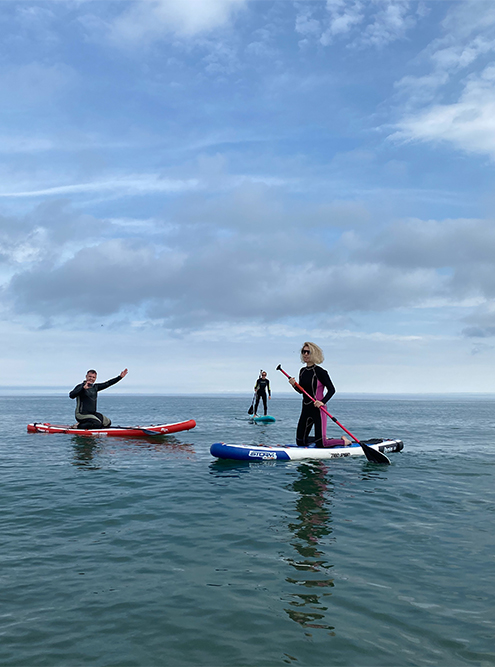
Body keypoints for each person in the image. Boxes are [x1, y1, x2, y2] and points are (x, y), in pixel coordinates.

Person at [289, 342, 335, 448]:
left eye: (308, 352)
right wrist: (294, 385)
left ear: (313, 354)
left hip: (318, 409)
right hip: (306, 408)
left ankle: (344, 441)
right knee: (300, 441)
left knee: (321, 444)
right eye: (303, 352)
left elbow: (332, 390)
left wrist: (322, 402)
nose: (305, 354)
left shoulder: (320, 372)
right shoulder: (302, 371)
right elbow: (302, 391)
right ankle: (322, 438)